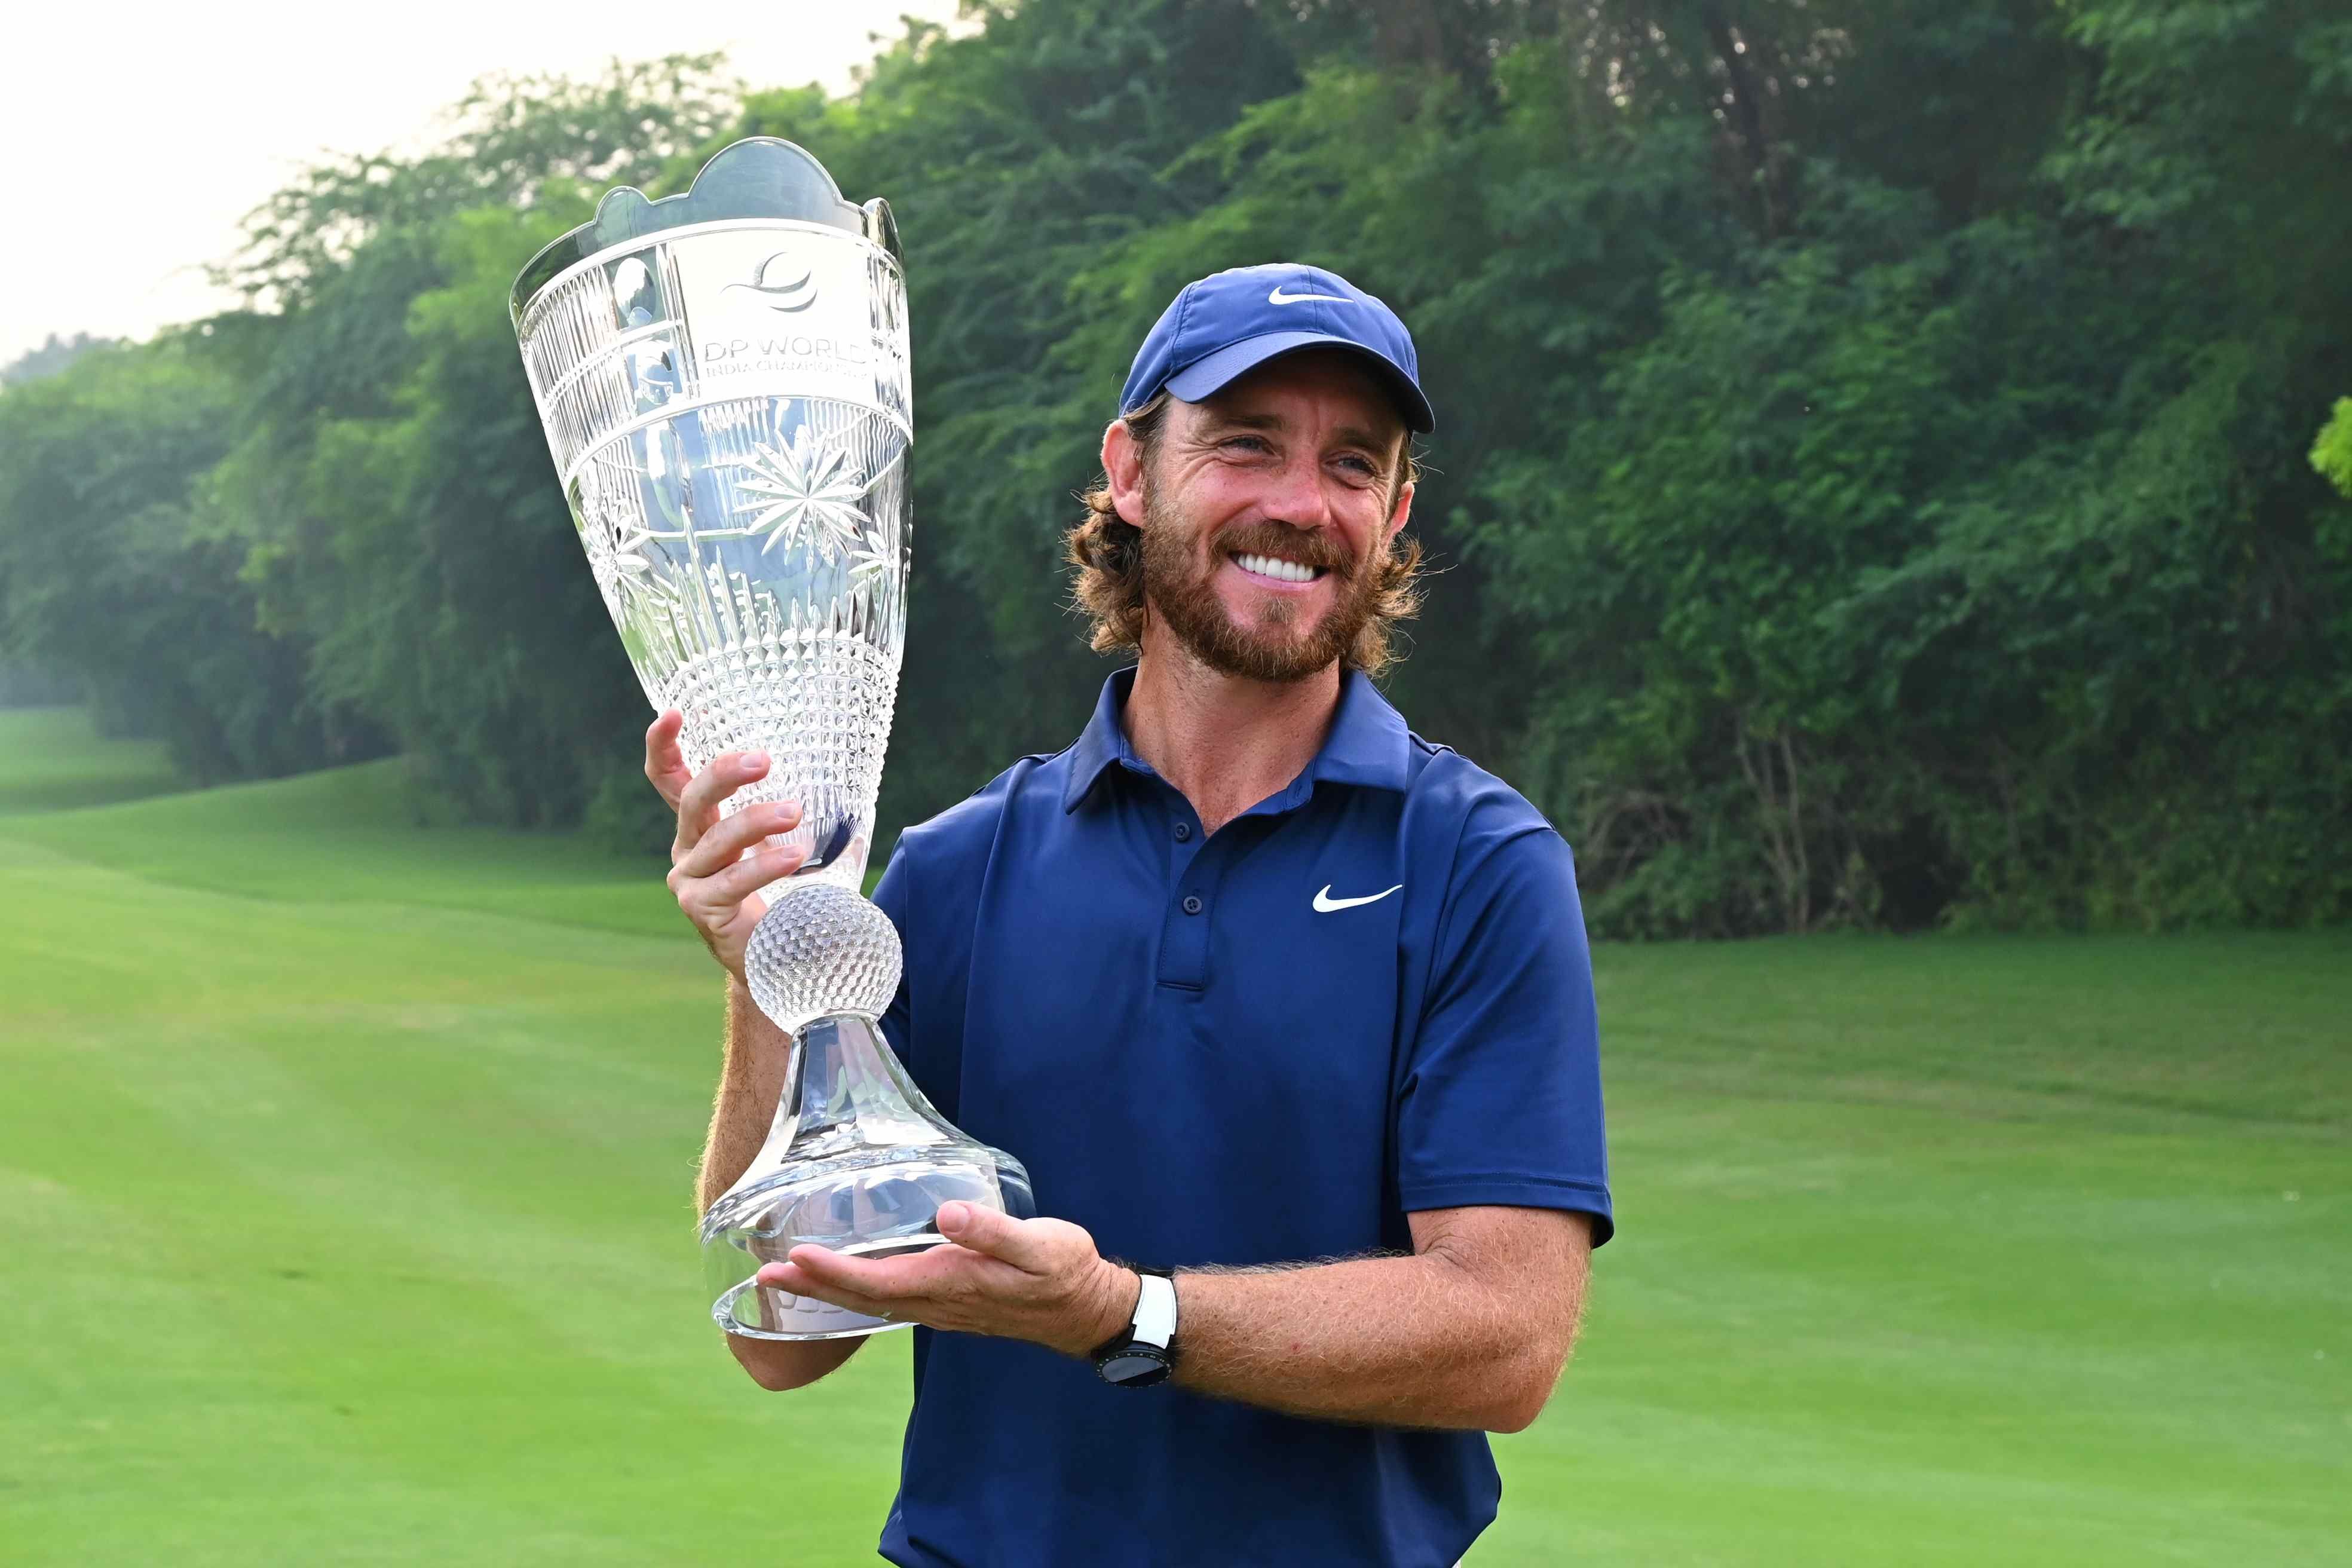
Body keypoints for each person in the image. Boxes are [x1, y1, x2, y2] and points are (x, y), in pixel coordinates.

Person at [644, 263, 1612, 1568]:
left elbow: (1505, 1340)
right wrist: (775, 966)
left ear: (1393, 514)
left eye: (1352, 462)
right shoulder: (959, 869)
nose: (1300, 502)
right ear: (1132, 471)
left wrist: (1122, 1313)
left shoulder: (1478, 864)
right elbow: (783, 1336)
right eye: (1246, 444)